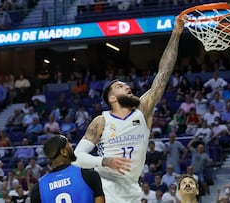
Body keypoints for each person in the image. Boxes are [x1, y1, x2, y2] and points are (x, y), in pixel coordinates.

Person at [72, 16, 185, 203]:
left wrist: (176, 33)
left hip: (132, 187)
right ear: (112, 98)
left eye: (126, 84)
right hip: (105, 186)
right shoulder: (102, 121)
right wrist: (104, 161)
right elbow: (76, 158)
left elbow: (163, 74)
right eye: (120, 86)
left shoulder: (142, 110)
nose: (127, 86)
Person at [30, 135, 105, 203]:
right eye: (68, 144)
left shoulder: (38, 188)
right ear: (63, 152)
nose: (71, 146)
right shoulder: (89, 175)